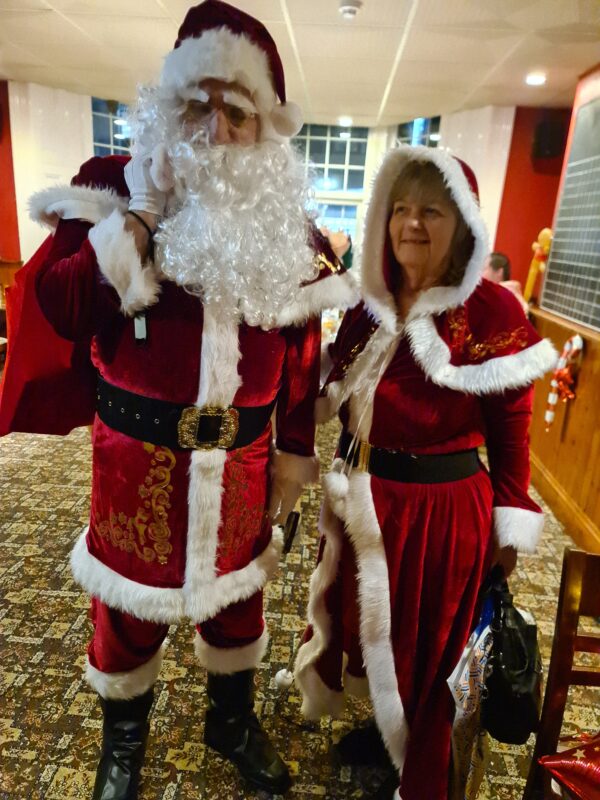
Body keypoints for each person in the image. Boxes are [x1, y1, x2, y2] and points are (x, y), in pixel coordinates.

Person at [1, 2, 357, 798]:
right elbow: (59, 305)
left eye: (239, 111)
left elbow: (299, 355)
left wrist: (294, 455)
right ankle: (122, 742)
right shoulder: (111, 186)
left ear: (265, 128)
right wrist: (138, 219)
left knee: (238, 602)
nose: (219, 128)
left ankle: (229, 721)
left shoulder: (286, 232)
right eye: (201, 104)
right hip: (136, 462)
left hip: (245, 464)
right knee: (127, 613)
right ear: (170, 107)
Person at [293, 146, 557, 800]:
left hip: (439, 514)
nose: (411, 223)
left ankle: (421, 773)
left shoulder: (493, 313)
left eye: (430, 210)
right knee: (369, 634)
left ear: (462, 222)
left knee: (429, 652)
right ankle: (389, 738)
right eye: (400, 209)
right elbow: (332, 389)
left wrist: (508, 528)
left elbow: (512, 428)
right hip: (363, 498)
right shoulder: (368, 306)